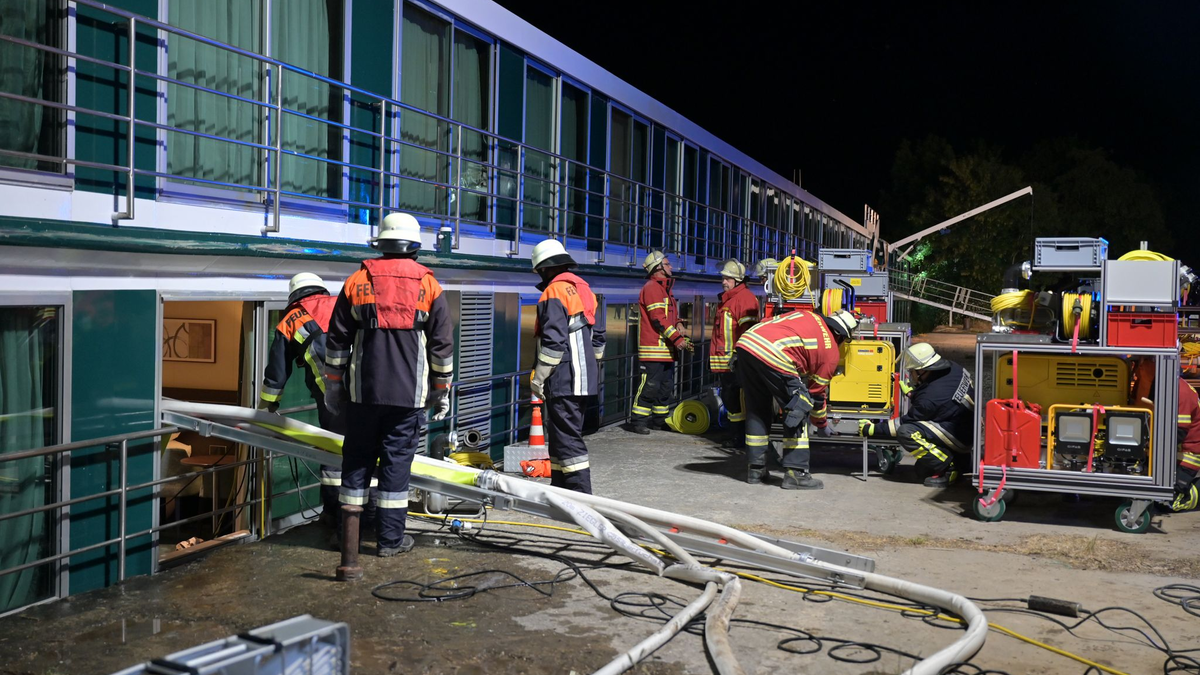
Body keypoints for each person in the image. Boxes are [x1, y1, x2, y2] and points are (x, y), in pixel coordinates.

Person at [324, 212, 454, 557]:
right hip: (408, 399)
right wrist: (442, 390)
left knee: (356, 463)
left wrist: (333, 386)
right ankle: (389, 542)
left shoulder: (356, 282)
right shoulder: (429, 285)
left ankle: (348, 539)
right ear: (414, 247)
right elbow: (441, 344)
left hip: (362, 395)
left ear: (380, 244)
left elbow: (337, 341)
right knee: (396, 468)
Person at [260, 272, 350, 530]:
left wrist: (267, 408)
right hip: (367, 392)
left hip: (332, 398)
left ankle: (336, 520)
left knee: (334, 457)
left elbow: (277, 373)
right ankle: (370, 518)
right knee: (366, 453)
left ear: (294, 296)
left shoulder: (290, 320)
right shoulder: (342, 304)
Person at [735, 308, 860, 489]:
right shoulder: (831, 352)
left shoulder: (808, 315)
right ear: (841, 336)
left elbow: (771, 322)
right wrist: (822, 424)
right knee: (799, 408)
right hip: (773, 353)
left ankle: (756, 469)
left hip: (747, 344)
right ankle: (796, 473)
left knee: (757, 409)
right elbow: (816, 395)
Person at [529, 239, 606, 494]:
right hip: (584, 379)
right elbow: (599, 337)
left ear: (543, 267)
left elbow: (553, 342)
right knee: (562, 436)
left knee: (568, 440)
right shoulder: (585, 289)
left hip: (564, 378)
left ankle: (581, 496)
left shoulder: (554, 291)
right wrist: (591, 368)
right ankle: (561, 490)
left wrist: (539, 378)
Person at [857, 343, 974, 487]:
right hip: (966, 425)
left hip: (958, 436)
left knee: (907, 432)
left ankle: (948, 467)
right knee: (922, 470)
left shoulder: (929, 398)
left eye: (912, 371)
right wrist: (914, 394)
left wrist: (872, 429)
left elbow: (904, 422)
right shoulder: (953, 367)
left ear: (923, 370)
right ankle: (963, 462)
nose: (911, 375)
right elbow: (943, 398)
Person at [628, 250, 693, 434]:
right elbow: (658, 319)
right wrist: (677, 338)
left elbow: (668, 317)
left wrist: (679, 323)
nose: (671, 267)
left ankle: (660, 420)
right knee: (650, 385)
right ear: (658, 268)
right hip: (653, 349)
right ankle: (638, 421)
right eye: (667, 264)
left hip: (665, 349)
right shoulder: (652, 288)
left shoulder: (664, 289)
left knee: (665, 387)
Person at [709, 259, 759, 449]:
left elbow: (747, 331)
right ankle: (735, 435)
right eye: (723, 278)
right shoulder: (730, 299)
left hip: (735, 362)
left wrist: (738, 356)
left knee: (736, 401)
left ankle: (738, 437)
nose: (724, 281)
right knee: (732, 400)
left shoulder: (744, 299)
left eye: (728, 279)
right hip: (727, 362)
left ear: (737, 281)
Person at [1172, 377, 1200, 512]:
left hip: (1189, 453)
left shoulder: (1180, 391)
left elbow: (1179, 431)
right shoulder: (1175, 385)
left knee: (1170, 503)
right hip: (1182, 450)